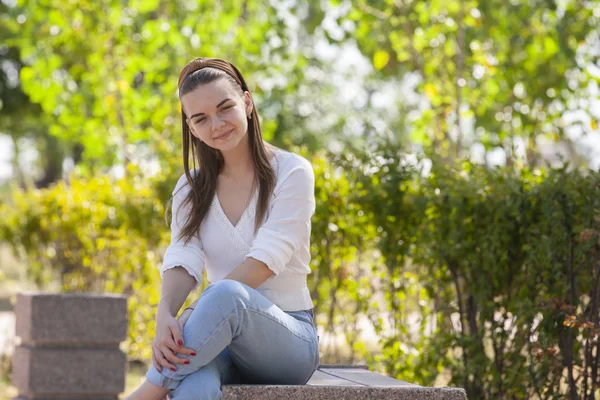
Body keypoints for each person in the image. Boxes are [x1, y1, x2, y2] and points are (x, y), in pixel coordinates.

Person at [127, 57, 319, 400]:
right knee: (194, 386)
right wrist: (165, 314)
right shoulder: (191, 187)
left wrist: (194, 313)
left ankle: (148, 391)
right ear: (191, 126)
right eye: (200, 119)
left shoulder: (292, 173)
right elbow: (183, 257)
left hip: (289, 340)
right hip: (218, 338)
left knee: (226, 294)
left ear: (246, 102)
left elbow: (265, 260)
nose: (216, 124)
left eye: (224, 108)